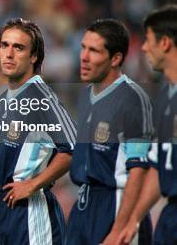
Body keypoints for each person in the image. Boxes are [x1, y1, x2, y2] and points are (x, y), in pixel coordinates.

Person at [0, 18, 76, 244]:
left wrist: (32, 184)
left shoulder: (41, 97)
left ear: (34, 56)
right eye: (4, 45)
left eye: (18, 47)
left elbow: (73, 149)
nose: (8, 53)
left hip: (31, 214)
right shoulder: (3, 100)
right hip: (2, 212)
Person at [66, 19, 153, 245]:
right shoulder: (85, 95)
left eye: (94, 50)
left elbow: (139, 169)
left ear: (116, 59)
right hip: (84, 206)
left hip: (115, 205)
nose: (84, 57)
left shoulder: (132, 99)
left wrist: (119, 229)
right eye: (83, 47)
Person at [118, 5, 177, 245]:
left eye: (148, 40)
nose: (143, 48)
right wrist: (133, 219)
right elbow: (156, 168)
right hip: (170, 217)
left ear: (165, 43)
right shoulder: (164, 99)